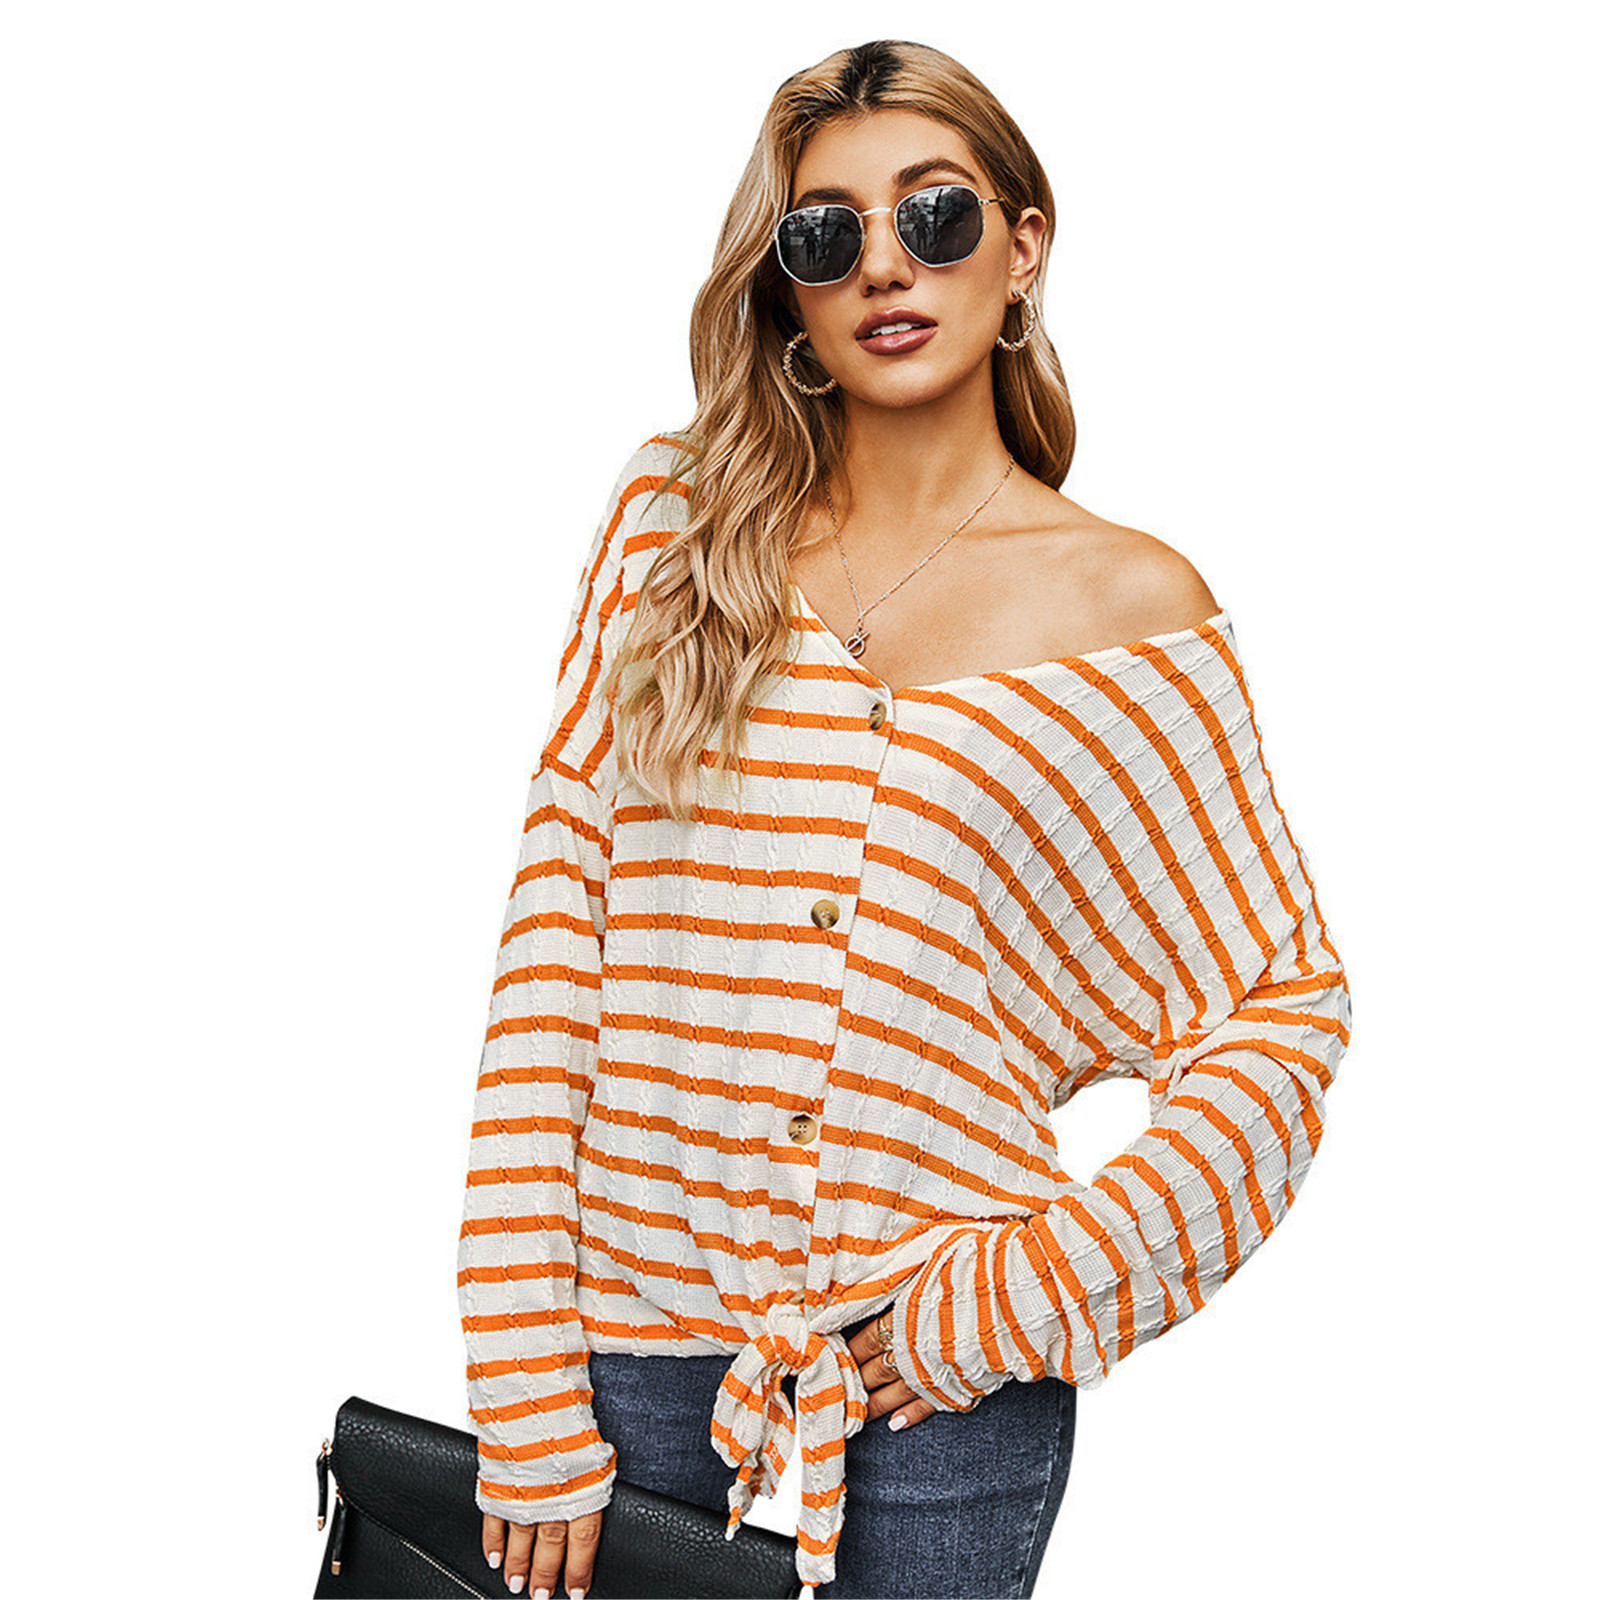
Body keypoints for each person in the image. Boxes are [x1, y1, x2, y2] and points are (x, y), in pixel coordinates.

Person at [457, 36, 1353, 1600]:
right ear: (789, 289)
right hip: (624, 1370)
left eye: (935, 216)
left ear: (1024, 247)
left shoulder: (1131, 614)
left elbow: (1282, 1013)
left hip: (935, 1409)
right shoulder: (678, 529)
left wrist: (1014, 1298)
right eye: (827, 234)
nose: (885, 263)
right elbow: (556, 934)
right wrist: (521, 1369)